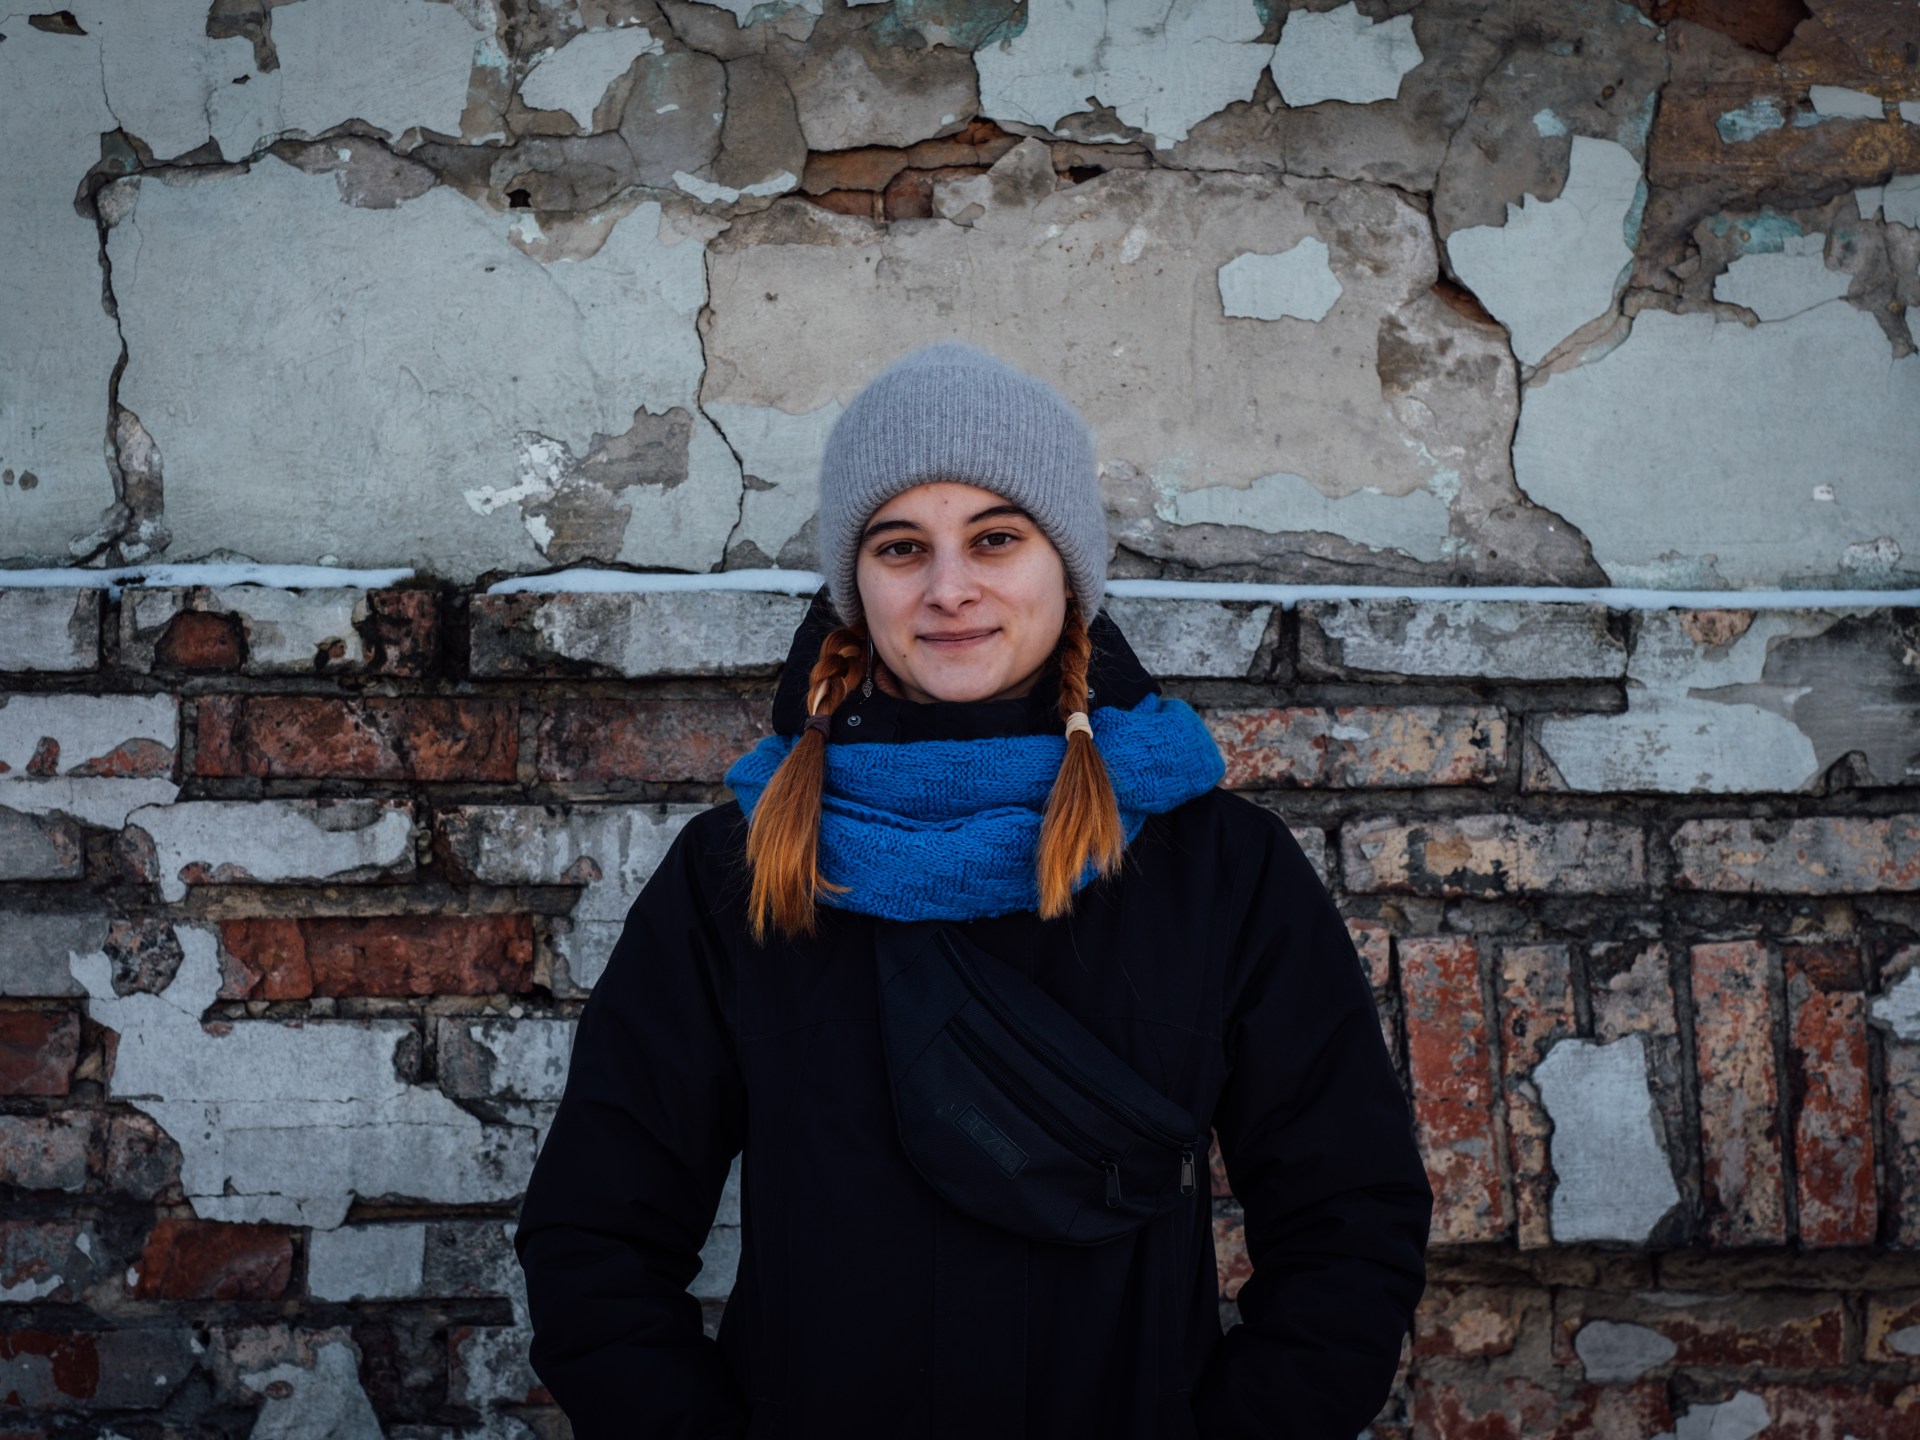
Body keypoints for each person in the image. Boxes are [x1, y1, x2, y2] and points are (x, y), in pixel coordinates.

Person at [514, 342, 1433, 1439]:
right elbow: (596, 1239)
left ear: (1067, 568)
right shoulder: (743, 872)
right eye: (902, 546)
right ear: (856, 585)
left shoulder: (1223, 872)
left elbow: (1349, 1222)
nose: (949, 589)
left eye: (996, 537)